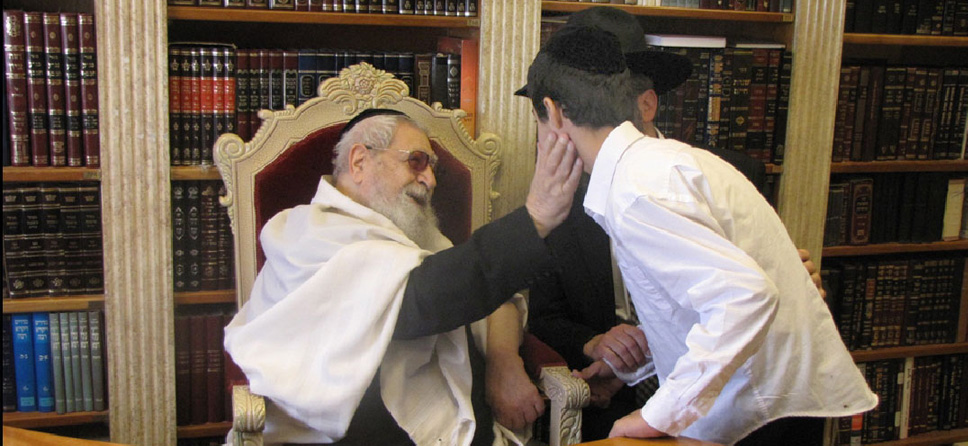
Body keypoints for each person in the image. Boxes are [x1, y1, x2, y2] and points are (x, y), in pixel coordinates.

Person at [521, 25, 877, 446]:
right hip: (759, 399)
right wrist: (631, 370)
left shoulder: (635, 188)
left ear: (553, 112)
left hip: (759, 408)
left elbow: (744, 298)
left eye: (538, 121)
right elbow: (697, 307)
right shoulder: (659, 164)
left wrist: (658, 416)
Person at [223, 108, 582, 445]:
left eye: (432, 168)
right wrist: (534, 218)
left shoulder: (414, 239)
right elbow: (420, 304)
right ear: (360, 161)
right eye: (417, 162)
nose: (430, 180)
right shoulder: (305, 233)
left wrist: (504, 362)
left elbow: (492, 299)